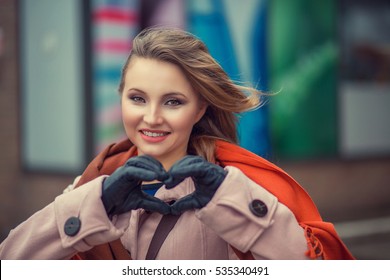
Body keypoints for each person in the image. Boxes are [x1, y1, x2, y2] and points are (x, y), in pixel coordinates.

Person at [0, 27, 354, 260]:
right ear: (120, 97)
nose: (152, 117)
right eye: (138, 98)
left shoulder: (240, 188)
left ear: (200, 107)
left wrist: (234, 204)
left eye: (173, 102)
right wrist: (98, 203)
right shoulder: (95, 182)